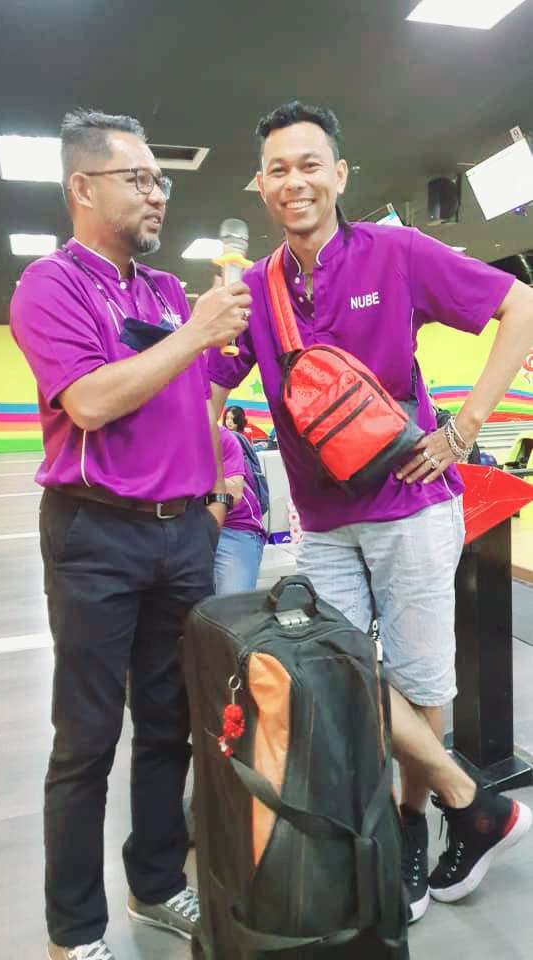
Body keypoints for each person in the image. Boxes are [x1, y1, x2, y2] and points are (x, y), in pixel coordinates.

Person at [208, 100, 533, 924]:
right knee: (337, 672)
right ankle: (471, 802)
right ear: (261, 186)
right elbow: (206, 383)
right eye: (278, 169)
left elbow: (521, 308)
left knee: (420, 683)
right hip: (323, 524)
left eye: (310, 164)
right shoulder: (256, 289)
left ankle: (411, 828)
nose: (295, 181)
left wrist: (463, 431)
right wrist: (212, 466)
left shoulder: (397, 252)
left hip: (412, 505)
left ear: (340, 174)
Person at [10, 108, 250, 960]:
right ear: (83, 187)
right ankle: (74, 932)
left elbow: (197, 398)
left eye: (161, 180)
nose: (157, 194)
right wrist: (196, 333)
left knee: (168, 722)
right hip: (96, 537)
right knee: (86, 739)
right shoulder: (51, 286)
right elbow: (90, 401)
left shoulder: (165, 292)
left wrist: (214, 495)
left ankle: (155, 883)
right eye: (138, 178)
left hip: (181, 534)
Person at [214, 425, 266, 594]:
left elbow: (233, 493)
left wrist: (185, 473)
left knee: (231, 605)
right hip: (180, 529)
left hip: (234, 527)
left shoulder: (220, 436)